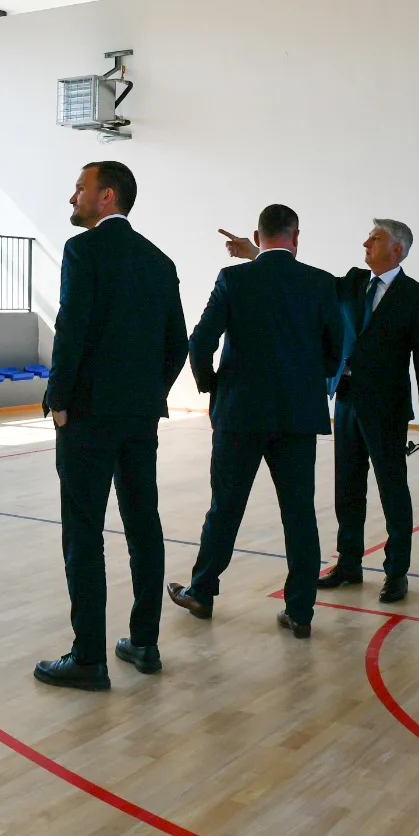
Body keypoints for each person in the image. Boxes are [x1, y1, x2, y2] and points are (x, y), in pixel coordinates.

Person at [219, 218, 419, 603]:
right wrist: (257, 253)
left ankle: (396, 572)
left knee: (392, 490)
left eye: (375, 238)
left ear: (397, 249)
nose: (365, 243)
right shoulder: (353, 282)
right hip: (347, 399)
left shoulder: (417, 296)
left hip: (387, 407)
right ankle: (349, 564)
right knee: (347, 488)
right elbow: (304, 281)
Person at [34, 162, 189, 692]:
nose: (72, 197)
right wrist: (148, 394)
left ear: (106, 197)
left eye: (80, 188)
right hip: (139, 417)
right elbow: (178, 345)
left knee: (83, 531)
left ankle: (87, 659)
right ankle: (144, 642)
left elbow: (71, 329)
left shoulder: (83, 251)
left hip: (88, 416)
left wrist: (59, 399)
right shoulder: (159, 260)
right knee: (144, 524)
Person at [168, 204, 343, 639]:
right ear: (295, 237)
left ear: (257, 235)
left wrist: (212, 385)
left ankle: (202, 592)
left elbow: (199, 343)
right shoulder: (321, 282)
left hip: (240, 414)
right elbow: (335, 351)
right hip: (298, 416)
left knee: (225, 508)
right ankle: (300, 611)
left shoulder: (234, 279)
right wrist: (307, 379)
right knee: (300, 514)